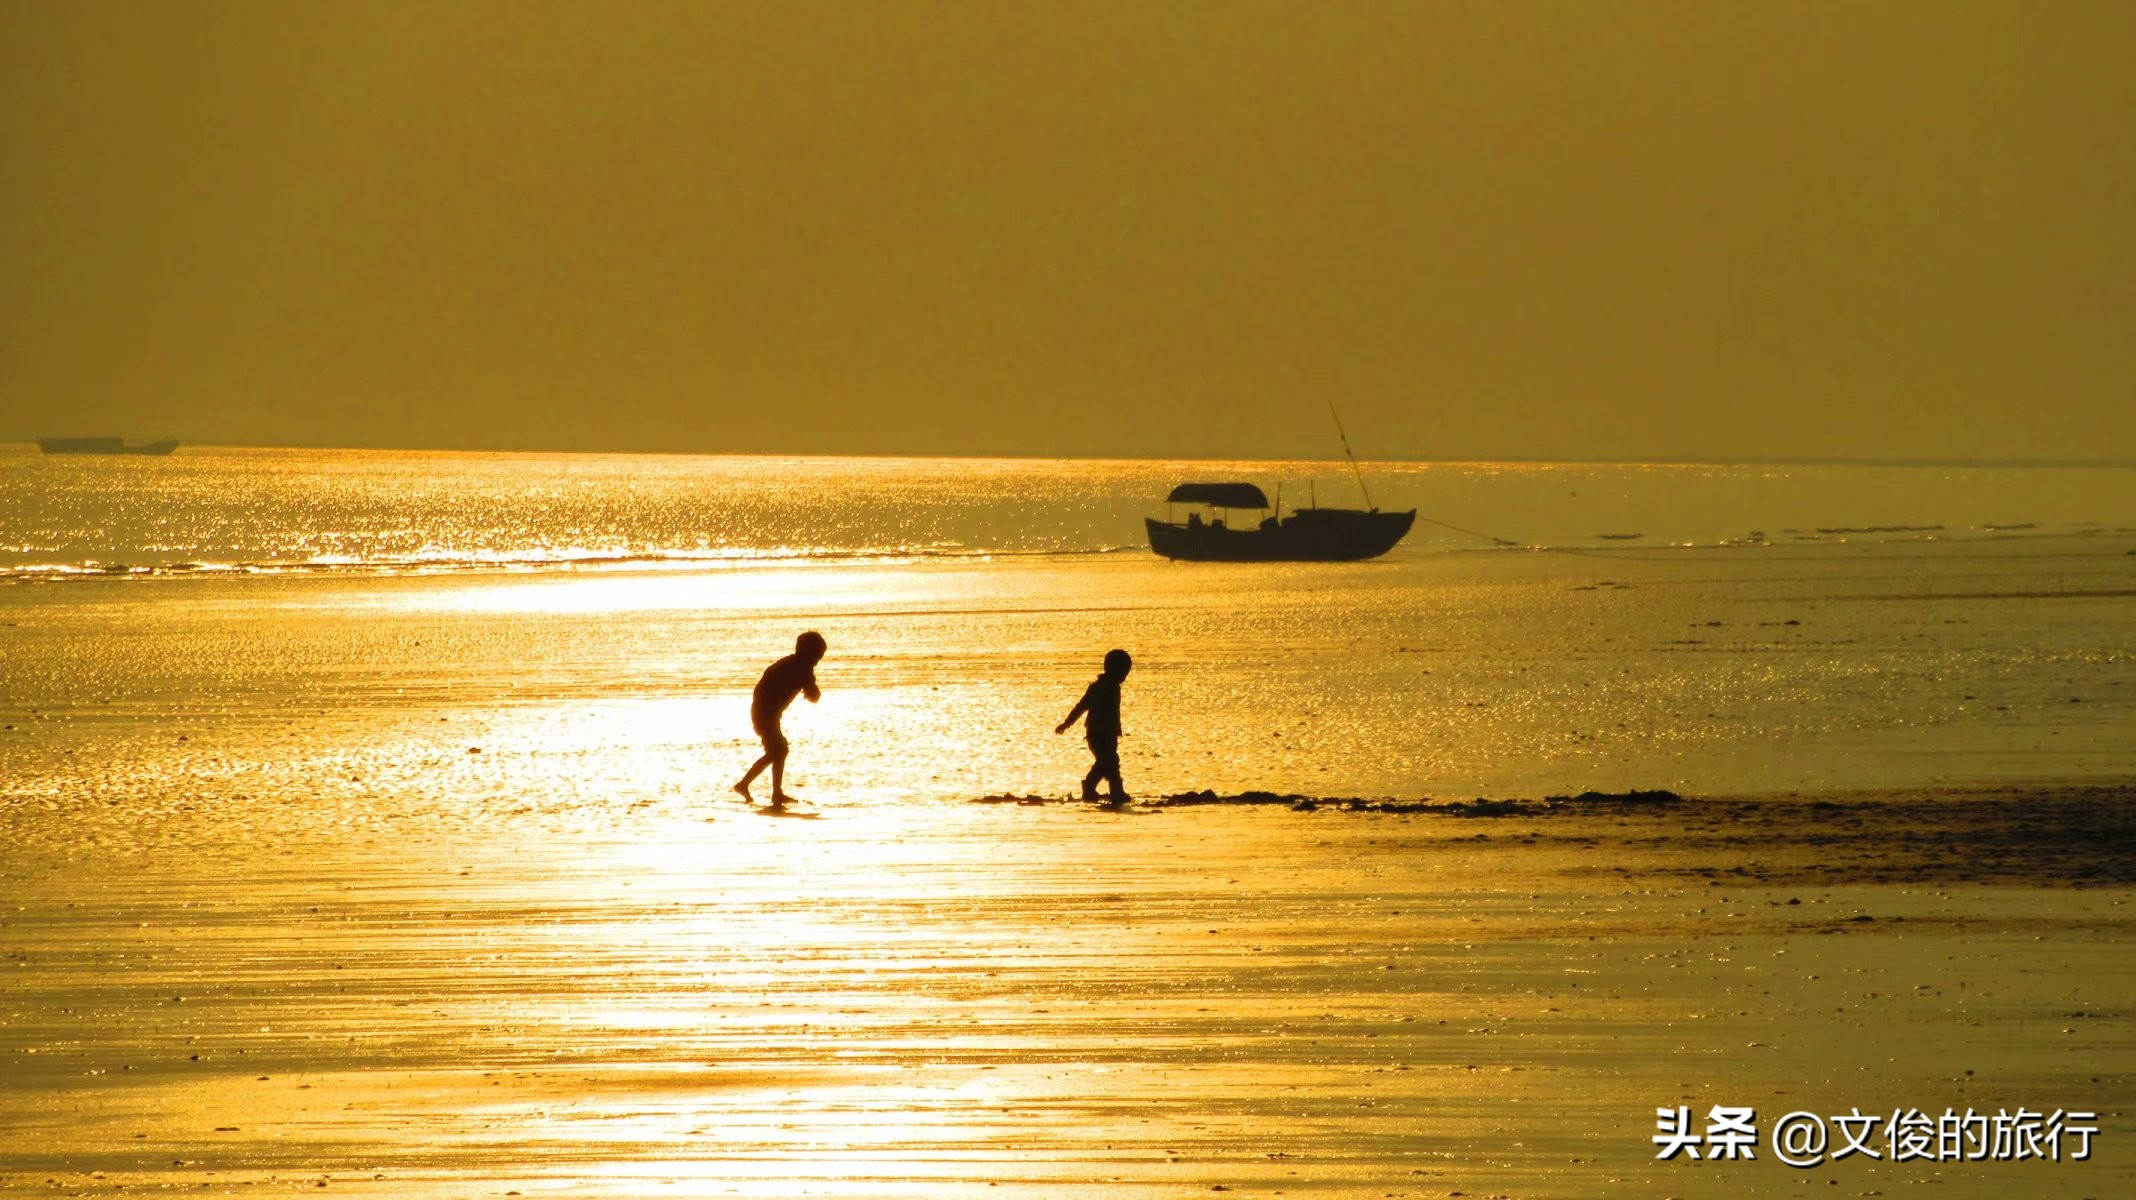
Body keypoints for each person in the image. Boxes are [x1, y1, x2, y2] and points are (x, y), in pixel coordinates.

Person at [734, 631, 825, 806]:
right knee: (778, 751)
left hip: (764, 712)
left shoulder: (789, 663)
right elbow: (814, 697)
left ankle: (774, 792)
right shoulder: (802, 668)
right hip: (765, 713)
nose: (817, 661)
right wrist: (812, 690)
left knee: (778, 751)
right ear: (808, 653)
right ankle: (745, 784)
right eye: (817, 656)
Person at [1055, 648, 1132, 802]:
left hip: (1110, 733)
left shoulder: (1115, 687)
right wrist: (1066, 724)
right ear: (1111, 669)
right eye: (1123, 673)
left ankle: (1116, 791)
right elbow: (1081, 706)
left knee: (1111, 762)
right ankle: (1091, 787)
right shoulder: (1098, 688)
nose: (1124, 677)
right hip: (1097, 734)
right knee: (1107, 761)